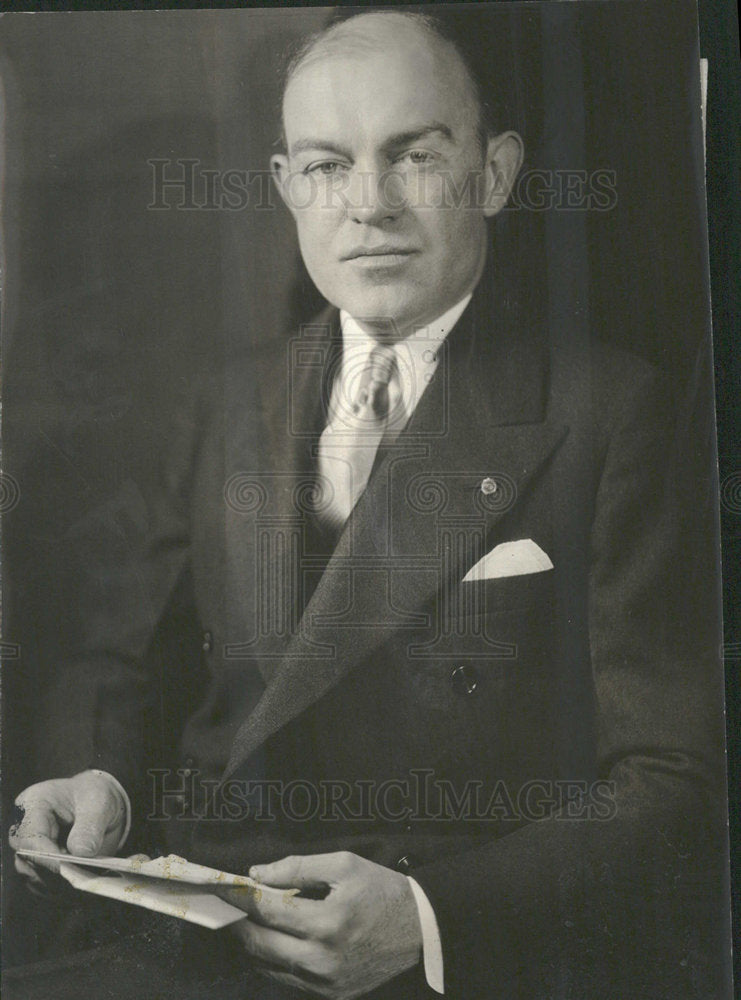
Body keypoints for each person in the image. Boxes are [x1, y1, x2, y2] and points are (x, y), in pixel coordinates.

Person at [7, 10, 727, 1000]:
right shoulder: (231, 400)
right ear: (285, 188)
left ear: (499, 173)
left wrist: (431, 917)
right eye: (326, 166)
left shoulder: (606, 413)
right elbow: (142, 663)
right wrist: (106, 785)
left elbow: (672, 783)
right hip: (207, 937)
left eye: (415, 156)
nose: (369, 205)